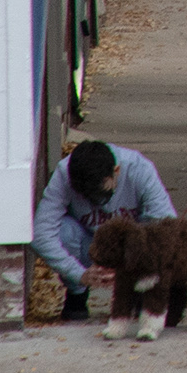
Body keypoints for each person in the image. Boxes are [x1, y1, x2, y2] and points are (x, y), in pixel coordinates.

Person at [34, 137, 174, 320]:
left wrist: (137, 265)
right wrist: (78, 274)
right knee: (64, 231)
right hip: (88, 244)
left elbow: (167, 225)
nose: (97, 202)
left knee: (156, 231)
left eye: (102, 193)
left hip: (132, 246)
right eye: (87, 195)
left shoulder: (139, 168)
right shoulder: (64, 173)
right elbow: (40, 232)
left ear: (116, 171)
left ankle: (143, 291)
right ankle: (77, 294)